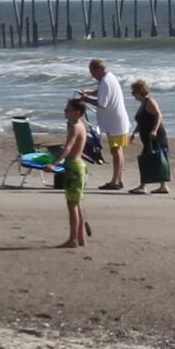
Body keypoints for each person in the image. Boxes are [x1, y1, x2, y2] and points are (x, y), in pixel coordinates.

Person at [88, 58, 136, 190]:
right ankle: (118, 179)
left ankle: (115, 181)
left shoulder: (105, 82)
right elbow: (105, 92)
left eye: (92, 71)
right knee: (117, 150)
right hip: (116, 121)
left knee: (116, 151)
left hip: (115, 122)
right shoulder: (109, 77)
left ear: (98, 69)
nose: (91, 75)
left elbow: (101, 104)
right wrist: (92, 92)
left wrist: (85, 99)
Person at [56, 96, 96, 247]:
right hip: (79, 165)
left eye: (68, 109)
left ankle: (73, 238)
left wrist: (54, 163)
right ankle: (80, 238)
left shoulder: (75, 126)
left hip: (74, 166)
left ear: (77, 113)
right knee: (77, 202)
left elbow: (68, 147)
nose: (65, 111)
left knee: (72, 204)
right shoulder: (80, 125)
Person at [131, 79, 172, 193]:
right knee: (153, 159)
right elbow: (142, 121)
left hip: (156, 136)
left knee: (152, 158)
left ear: (140, 91)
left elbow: (158, 115)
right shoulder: (143, 104)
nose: (133, 95)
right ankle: (163, 186)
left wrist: (154, 130)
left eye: (134, 92)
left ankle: (143, 186)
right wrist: (134, 133)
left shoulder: (150, 101)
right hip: (148, 136)